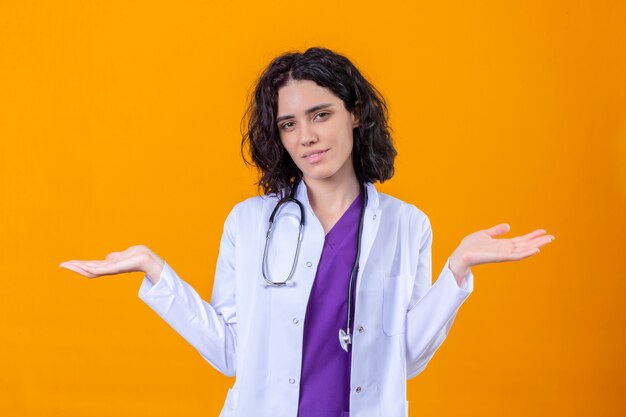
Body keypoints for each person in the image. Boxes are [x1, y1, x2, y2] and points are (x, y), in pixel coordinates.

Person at [60, 47, 555, 417]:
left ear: (355, 113)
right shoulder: (249, 223)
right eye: (289, 124)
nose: (307, 137)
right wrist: (156, 272)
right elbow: (231, 352)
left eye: (320, 115)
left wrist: (458, 269)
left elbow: (403, 359)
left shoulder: (408, 226)